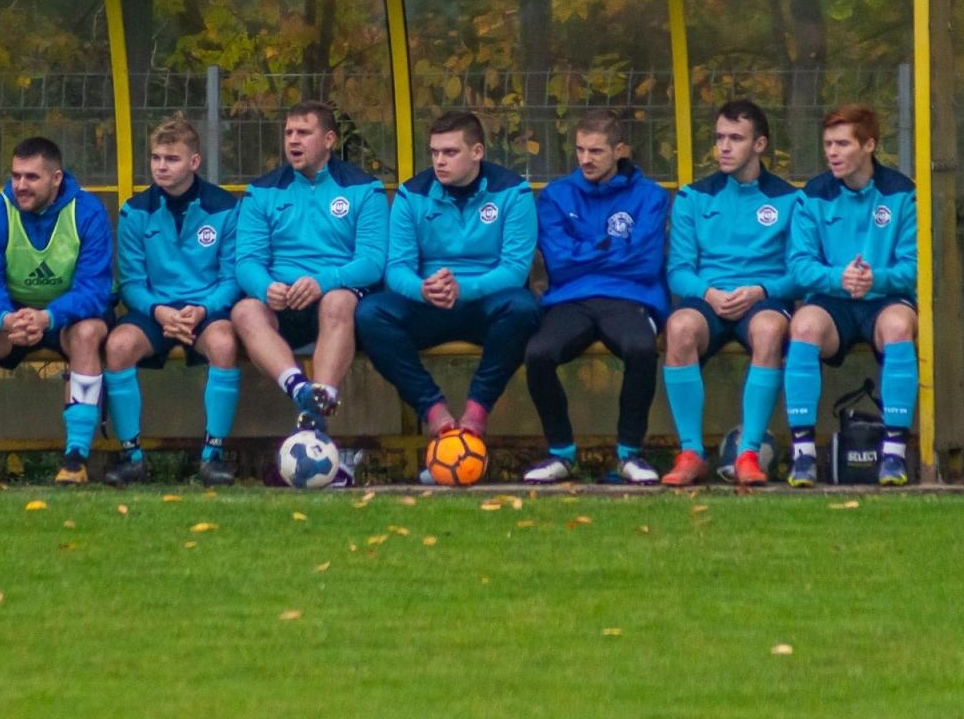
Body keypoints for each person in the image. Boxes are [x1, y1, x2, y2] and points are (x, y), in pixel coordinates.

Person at [355, 110, 540, 455]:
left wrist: (464, 289)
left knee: (523, 307)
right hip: (430, 302)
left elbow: (515, 270)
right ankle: (433, 410)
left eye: (450, 152)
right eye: (435, 152)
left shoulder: (513, 192)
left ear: (477, 152)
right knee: (370, 313)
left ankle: (477, 410)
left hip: (485, 302)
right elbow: (396, 268)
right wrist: (423, 289)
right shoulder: (413, 194)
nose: (440, 161)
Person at [0, 136, 113, 487]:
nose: (20, 186)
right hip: (14, 317)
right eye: (16, 176)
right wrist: (6, 318)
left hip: (68, 317)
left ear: (56, 179)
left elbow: (95, 289)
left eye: (31, 177)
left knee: (87, 334)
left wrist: (49, 317)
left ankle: (75, 459)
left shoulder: (87, 212)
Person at [522, 109, 670, 484]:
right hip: (571, 299)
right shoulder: (556, 196)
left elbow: (646, 262)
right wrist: (612, 247)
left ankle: (628, 454)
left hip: (631, 297)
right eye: (580, 149)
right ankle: (561, 453)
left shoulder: (650, 196)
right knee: (537, 354)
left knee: (641, 349)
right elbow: (558, 261)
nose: (586, 159)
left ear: (619, 150)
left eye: (596, 151)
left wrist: (585, 250)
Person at [660, 101, 800, 487]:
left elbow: (799, 273)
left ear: (760, 145)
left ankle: (749, 453)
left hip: (762, 300)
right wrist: (708, 293)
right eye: (720, 137)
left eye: (735, 138)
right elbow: (679, 272)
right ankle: (691, 452)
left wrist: (761, 290)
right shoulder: (693, 197)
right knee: (679, 327)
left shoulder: (790, 200)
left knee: (771, 330)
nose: (724, 146)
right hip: (709, 300)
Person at [783, 104, 919, 486]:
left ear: (869, 145)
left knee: (897, 327)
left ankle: (893, 454)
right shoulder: (813, 195)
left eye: (842, 143)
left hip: (884, 297)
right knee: (804, 326)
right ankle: (803, 455)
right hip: (833, 299)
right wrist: (837, 278)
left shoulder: (901, 193)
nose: (832, 153)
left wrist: (876, 278)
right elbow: (799, 264)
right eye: (828, 144)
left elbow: (914, 266)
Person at [102, 116, 241, 487]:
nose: (161, 166)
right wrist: (160, 311)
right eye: (156, 158)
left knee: (225, 343)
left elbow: (232, 278)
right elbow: (130, 283)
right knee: (117, 346)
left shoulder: (226, 208)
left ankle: (213, 457)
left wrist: (203, 310)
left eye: (172, 159)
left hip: (206, 308)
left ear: (193, 163)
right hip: (154, 309)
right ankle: (131, 456)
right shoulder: (135, 211)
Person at [232, 100, 387, 432]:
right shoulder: (261, 192)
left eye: (304, 132)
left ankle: (319, 408)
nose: (293, 140)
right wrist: (265, 287)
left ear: (329, 140)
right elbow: (246, 261)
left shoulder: (364, 189)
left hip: (337, 299)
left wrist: (323, 281)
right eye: (288, 133)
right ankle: (301, 390)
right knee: (245, 310)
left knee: (337, 301)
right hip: (283, 301)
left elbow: (373, 262)